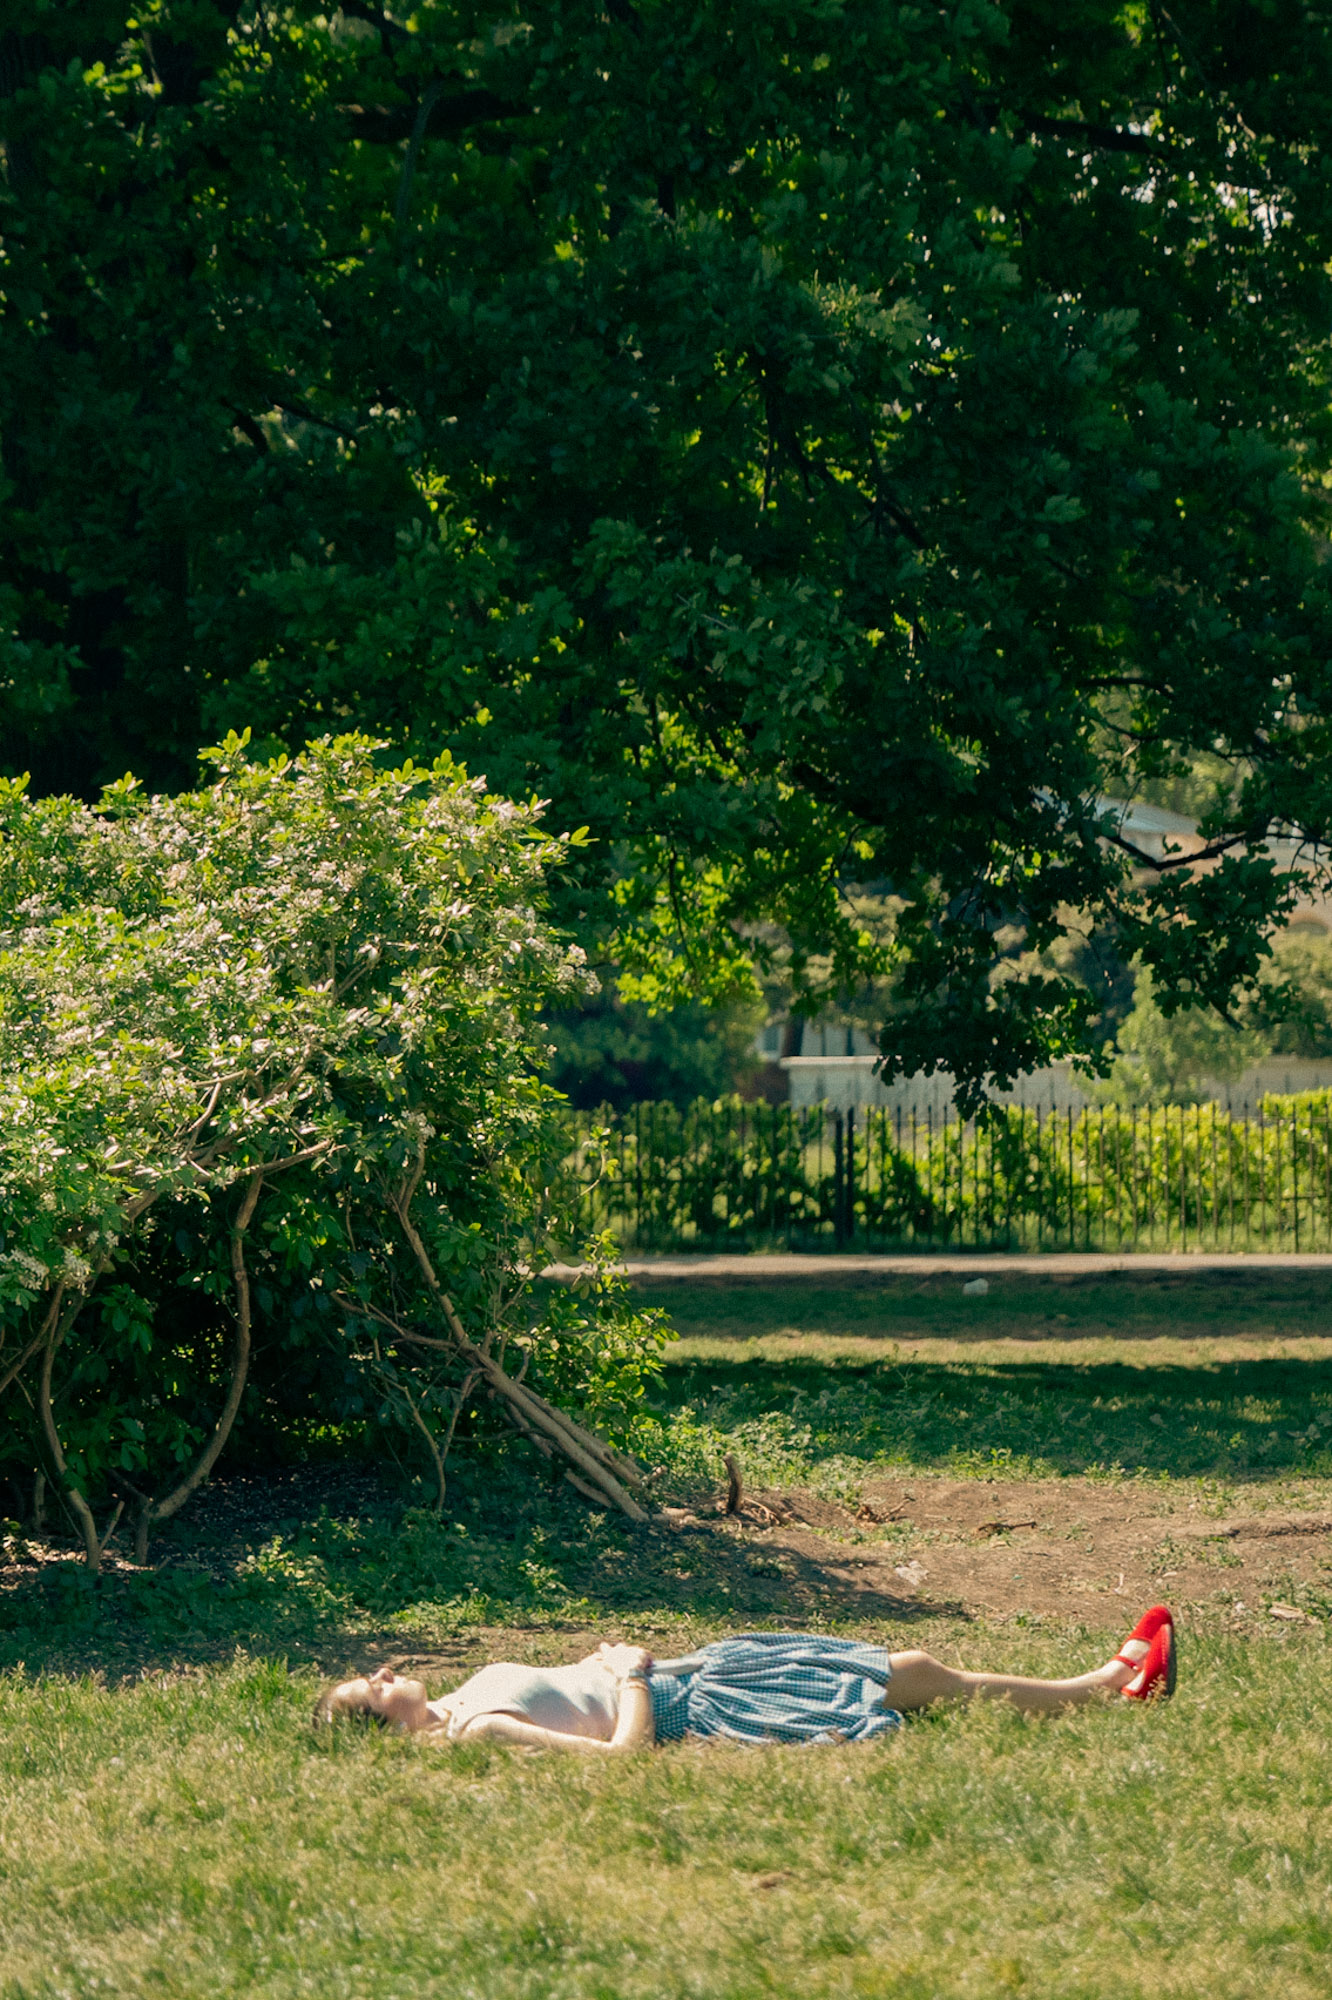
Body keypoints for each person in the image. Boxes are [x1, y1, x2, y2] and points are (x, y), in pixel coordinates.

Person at [315, 1605, 1175, 1754]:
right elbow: (620, 1759)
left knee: (914, 1671)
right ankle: (1105, 1684)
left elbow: (573, 1687)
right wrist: (629, 1676)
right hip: (699, 1704)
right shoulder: (479, 1731)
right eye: (372, 1690)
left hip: (698, 1671)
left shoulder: (458, 1699)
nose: (383, 1673)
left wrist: (605, 1661)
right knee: (917, 1674)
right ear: (386, 1732)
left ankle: (1099, 1683)